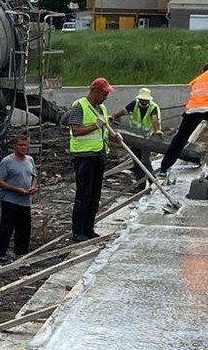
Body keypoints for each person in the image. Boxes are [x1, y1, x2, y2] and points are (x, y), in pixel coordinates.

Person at [66, 76, 120, 243]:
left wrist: (113, 137)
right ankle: (78, 232)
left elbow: (102, 131)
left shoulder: (101, 108)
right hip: (84, 157)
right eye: (104, 93)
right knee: (84, 194)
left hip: (99, 155)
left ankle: (89, 229)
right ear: (94, 91)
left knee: (95, 195)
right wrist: (95, 125)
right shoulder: (79, 106)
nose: (106, 97)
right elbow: (76, 131)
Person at [158, 62, 208, 179]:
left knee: (180, 140)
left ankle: (164, 168)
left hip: (192, 110)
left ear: (203, 71)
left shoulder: (197, 79)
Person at [0, 134, 37, 261]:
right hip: (10, 200)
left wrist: (33, 187)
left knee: (24, 229)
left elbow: (34, 176)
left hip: (25, 201)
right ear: (15, 147)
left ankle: (21, 254)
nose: (23, 147)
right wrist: (16, 189)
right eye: (21, 145)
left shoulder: (30, 160)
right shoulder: (7, 161)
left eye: (26, 145)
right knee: (6, 228)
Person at [112, 87, 161, 179]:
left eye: (145, 100)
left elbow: (154, 119)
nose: (143, 102)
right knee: (136, 160)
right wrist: (113, 117)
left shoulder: (153, 107)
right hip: (135, 136)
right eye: (142, 100)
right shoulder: (134, 104)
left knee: (145, 161)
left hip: (147, 137)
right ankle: (139, 180)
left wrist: (157, 130)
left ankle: (151, 179)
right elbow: (124, 111)